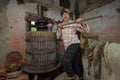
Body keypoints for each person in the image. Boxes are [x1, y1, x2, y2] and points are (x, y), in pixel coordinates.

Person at [56, 9, 90, 80]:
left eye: (67, 14)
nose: (65, 15)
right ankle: (80, 77)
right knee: (74, 62)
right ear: (62, 16)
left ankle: (72, 76)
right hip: (67, 47)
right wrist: (59, 28)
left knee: (64, 60)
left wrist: (81, 22)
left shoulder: (74, 23)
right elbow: (58, 37)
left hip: (74, 43)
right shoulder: (61, 25)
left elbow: (87, 31)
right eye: (63, 14)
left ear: (70, 16)